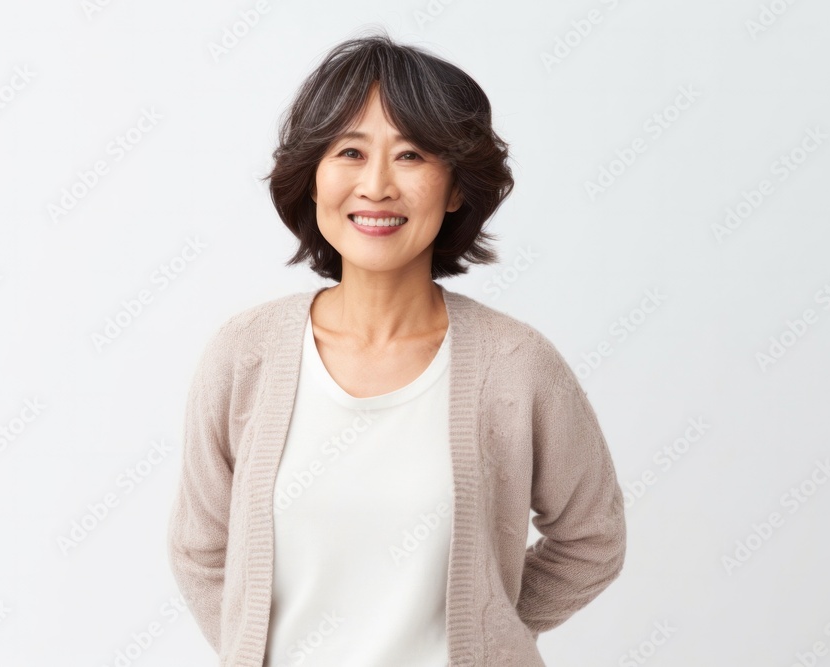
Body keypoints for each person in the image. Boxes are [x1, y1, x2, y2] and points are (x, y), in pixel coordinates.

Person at [167, 29, 626, 667]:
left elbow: (591, 540)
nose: (377, 185)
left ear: (457, 186)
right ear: (312, 178)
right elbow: (200, 548)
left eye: (411, 156)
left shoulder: (517, 367)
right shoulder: (244, 356)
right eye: (350, 152)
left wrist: (486, 630)